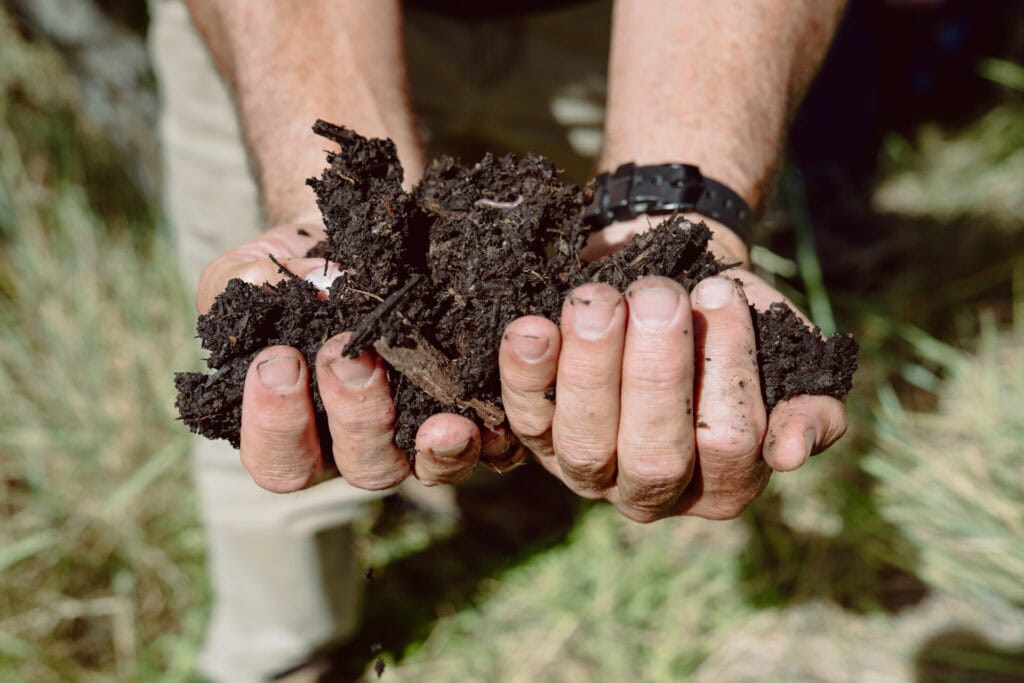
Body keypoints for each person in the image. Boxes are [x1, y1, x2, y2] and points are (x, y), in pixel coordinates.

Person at [150, 1, 849, 680]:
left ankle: (502, 504)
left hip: (618, 36)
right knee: (280, 394)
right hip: (284, 31)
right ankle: (282, 650)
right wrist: (337, 209)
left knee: (564, 366)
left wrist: (680, 209)